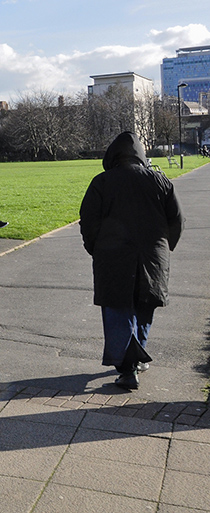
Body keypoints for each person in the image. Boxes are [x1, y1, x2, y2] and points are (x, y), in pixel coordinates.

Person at [79, 131, 183, 391]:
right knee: (144, 307)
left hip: (113, 256)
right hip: (152, 256)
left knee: (118, 311)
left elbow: (88, 221)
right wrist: (164, 248)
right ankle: (137, 359)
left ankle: (127, 369)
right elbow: (177, 221)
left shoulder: (102, 182)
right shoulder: (160, 181)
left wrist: (95, 248)